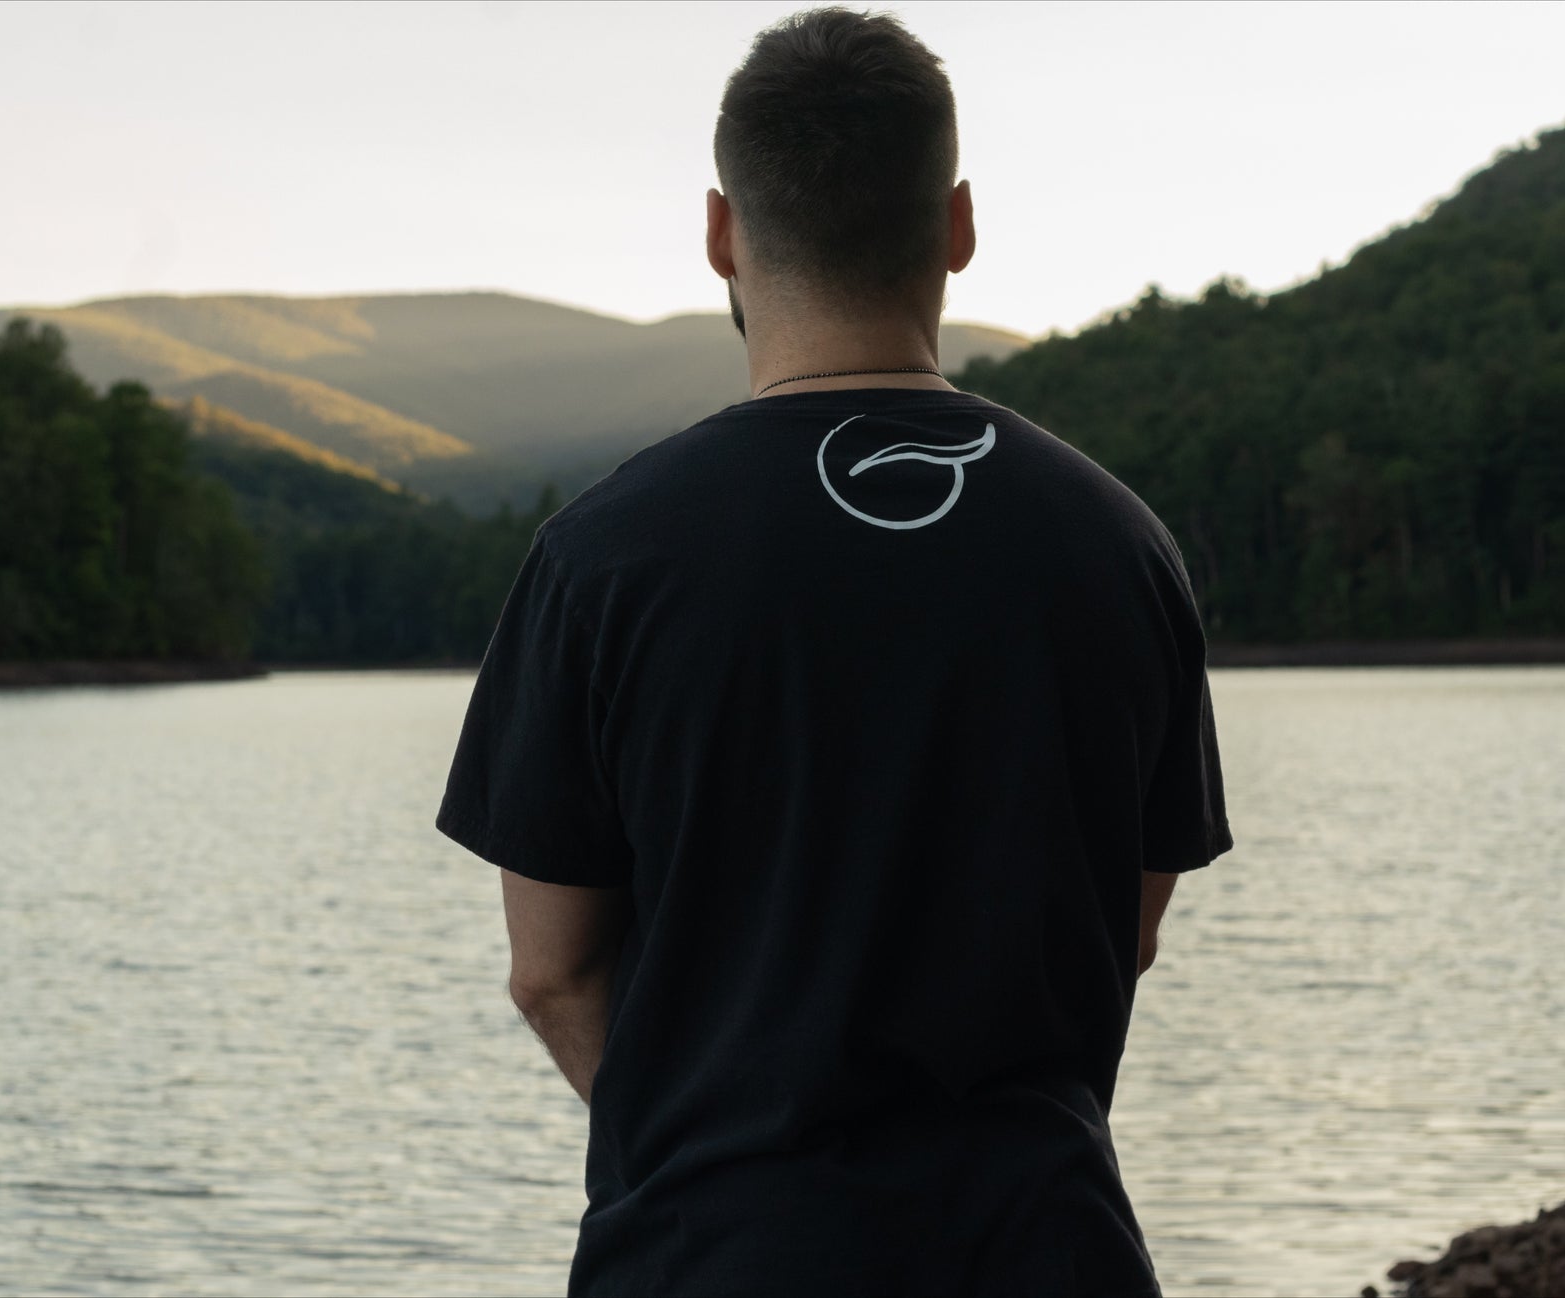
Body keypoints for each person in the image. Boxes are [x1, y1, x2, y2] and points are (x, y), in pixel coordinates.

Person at [435, 8, 1231, 1295]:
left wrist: (707, 1152)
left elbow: (552, 968)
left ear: (720, 233)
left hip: (706, 1256)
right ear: (958, 224)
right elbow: (1118, 932)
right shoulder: (1117, 546)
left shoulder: (598, 558)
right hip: (1042, 1253)